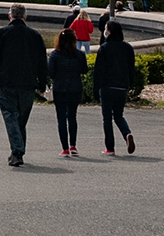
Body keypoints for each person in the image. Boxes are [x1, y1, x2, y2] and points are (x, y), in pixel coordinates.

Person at [0, 3, 48, 166]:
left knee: (10, 114)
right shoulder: (35, 36)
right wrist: (42, 83)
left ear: (10, 16)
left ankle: (17, 151)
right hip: (28, 82)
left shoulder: (2, 33)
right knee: (21, 118)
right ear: (25, 17)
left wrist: (3, 64)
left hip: (7, 80)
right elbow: (42, 62)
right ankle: (17, 151)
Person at [94, 21, 137, 155]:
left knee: (107, 118)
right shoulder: (128, 48)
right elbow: (131, 68)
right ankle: (127, 133)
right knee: (118, 115)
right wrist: (130, 83)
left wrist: (96, 89)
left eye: (106, 29)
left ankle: (110, 147)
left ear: (110, 31)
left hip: (107, 86)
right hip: (122, 86)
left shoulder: (105, 48)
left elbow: (99, 71)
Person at [46, 30, 88, 158]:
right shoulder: (80, 54)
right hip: (75, 88)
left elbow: (51, 73)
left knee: (61, 118)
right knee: (72, 116)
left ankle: (64, 148)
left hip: (60, 88)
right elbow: (84, 70)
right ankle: (73, 145)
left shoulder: (55, 55)